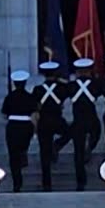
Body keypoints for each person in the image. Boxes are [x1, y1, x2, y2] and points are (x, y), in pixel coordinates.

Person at [32, 61, 71, 192]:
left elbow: (35, 107)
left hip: (44, 122)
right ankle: (57, 145)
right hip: (57, 119)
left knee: (44, 154)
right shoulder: (61, 87)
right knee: (70, 132)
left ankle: (46, 183)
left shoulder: (37, 89)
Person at [1, 70, 38, 192]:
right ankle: (23, 155)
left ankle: (17, 183)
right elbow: (34, 113)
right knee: (22, 148)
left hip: (13, 126)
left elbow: (4, 114)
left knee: (13, 155)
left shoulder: (9, 97)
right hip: (26, 125)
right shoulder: (30, 97)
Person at [69, 58, 102, 191]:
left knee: (78, 152)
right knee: (97, 133)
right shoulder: (95, 84)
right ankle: (89, 149)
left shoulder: (71, 86)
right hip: (91, 118)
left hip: (78, 120)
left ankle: (80, 181)